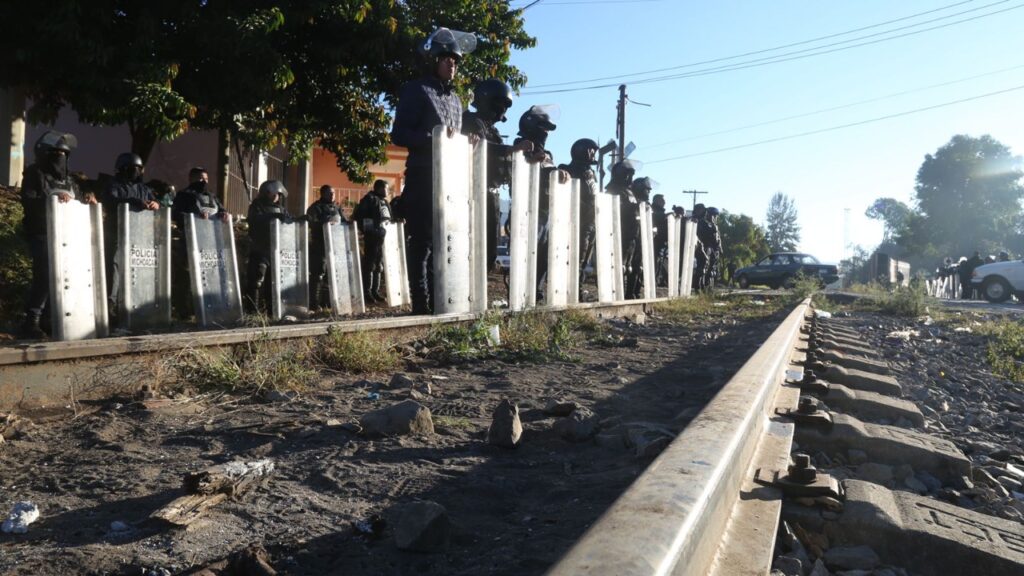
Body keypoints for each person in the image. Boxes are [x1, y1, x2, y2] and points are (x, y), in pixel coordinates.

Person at [391, 27, 477, 314]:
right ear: (433, 60)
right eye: (445, 58)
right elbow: (399, 134)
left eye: (455, 60)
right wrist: (434, 140)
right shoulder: (417, 90)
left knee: (446, 243)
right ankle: (420, 305)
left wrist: (467, 144)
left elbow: (456, 139)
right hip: (422, 175)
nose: (451, 64)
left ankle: (442, 303)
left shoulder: (456, 100)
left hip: (450, 182)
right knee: (422, 244)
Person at [19, 131, 96, 338]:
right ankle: (31, 321)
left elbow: (77, 201)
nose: (60, 158)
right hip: (41, 233)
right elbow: (29, 201)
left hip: (67, 237)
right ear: (45, 153)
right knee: (44, 275)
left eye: (64, 154)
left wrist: (87, 201)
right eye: (56, 153)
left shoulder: (70, 180)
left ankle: (50, 320)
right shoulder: (34, 174)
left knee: (62, 278)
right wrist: (52, 199)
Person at [461, 79, 532, 271]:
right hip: (474, 193)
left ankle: (479, 296)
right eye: (501, 104)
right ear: (488, 100)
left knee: (488, 253)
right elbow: (482, 148)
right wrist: (513, 149)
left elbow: (503, 162)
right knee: (475, 249)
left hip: (491, 194)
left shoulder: (492, 129)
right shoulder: (472, 122)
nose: (503, 110)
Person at [103, 152, 159, 324]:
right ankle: (111, 306)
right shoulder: (113, 184)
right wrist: (134, 201)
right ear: (123, 169)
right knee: (115, 268)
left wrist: (156, 204)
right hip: (116, 233)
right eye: (133, 168)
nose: (137, 172)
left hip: (139, 237)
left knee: (136, 270)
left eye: (139, 169)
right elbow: (111, 199)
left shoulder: (144, 188)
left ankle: (136, 305)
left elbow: (155, 202)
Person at [513, 105, 561, 298]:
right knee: (527, 253)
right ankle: (521, 294)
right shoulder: (519, 145)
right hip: (527, 209)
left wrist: (560, 174)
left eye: (547, 129)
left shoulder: (548, 153)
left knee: (544, 253)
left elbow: (549, 174)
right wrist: (530, 159)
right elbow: (514, 171)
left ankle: (537, 291)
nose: (546, 133)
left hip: (546, 209)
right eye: (543, 127)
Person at [170, 167, 228, 319]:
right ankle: (184, 311)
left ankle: (209, 307)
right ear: (191, 179)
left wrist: (223, 214)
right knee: (186, 276)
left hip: (210, 243)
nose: (204, 182)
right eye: (201, 179)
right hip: (190, 241)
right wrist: (195, 217)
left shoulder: (212, 196)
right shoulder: (183, 195)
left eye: (206, 179)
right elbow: (176, 214)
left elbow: (221, 210)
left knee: (209, 275)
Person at [245, 180, 293, 313]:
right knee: (256, 280)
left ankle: (271, 311)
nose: (277, 196)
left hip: (276, 249)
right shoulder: (256, 206)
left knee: (274, 282)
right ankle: (252, 312)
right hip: (260, 248)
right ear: (268, 192)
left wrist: (300, 219)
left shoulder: (281, 209)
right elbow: (255, 220)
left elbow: (289, 221)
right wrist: (272, 216)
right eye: (276, 193)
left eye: (279, 194)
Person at [559, 138, 600, 293]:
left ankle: (578, 288)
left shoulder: (592, 173)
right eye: (590, 150)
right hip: (576, 221)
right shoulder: (568, 169)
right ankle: (570, 290)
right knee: (575, 256)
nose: (593, 154)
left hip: (591, 221)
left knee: (585, 258)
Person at [352, 180, 392, 303]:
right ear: (380, 188)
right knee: (370, 265)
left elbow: (388, 217)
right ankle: (367, 292)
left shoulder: (384, 201)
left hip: (383, 238)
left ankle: (375, 291)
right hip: (372, 238)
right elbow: (359, 216)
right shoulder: (369, 199)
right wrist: (368, 231)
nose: (388, 191)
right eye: (386, 188)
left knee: (379, 265)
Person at [702, 207, 723, 289]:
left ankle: (710, 285)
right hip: (709, 249)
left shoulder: (715, 226)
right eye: (714, 216)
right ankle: (704, 285)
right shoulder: (705, 224)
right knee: (706, 267)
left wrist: (720, 248)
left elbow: (718, 238)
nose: (715, 218)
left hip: (715, 250)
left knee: (713, 269)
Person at [651, 193, 668, 287]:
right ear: (656, 201)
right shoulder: (652, 210)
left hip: (662, 242)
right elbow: (654, 218)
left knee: (659, 262)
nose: (664, 202)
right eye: (662, 200)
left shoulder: (661, 212)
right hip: (654, 241)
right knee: (654, 262)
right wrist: (665, 216)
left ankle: (656, 280)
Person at [691, 204, 708, 291]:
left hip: (701, 245)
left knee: (702, 264)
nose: (705, 212)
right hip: (696, 245)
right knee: (703, 261)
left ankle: (700, 284)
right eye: (702, 210)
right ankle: (697, 285)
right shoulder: (694, 220)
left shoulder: (702, 221)